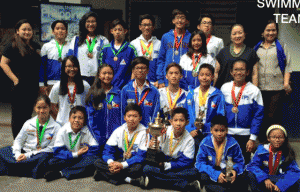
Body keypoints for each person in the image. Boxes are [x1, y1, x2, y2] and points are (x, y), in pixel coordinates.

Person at [0, 95, 61, 178]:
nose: (42, 111)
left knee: (45, 158)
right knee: (3, 151)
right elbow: (18, 140)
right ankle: (24, 167)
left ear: (50, 108)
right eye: (39, 108)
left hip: (38, 155)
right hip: (24, 152)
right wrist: (18, 154)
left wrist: (28, 155)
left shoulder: (56, 127)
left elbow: (51, 148)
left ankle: (13, 168)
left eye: (45, 107)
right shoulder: (28, 123)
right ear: (34, 108)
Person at [139, 107, 199, 191]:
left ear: (187, 122)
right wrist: (152, 146)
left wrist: (166, 165)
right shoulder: (163, 131)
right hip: (162, 161)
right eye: (175, 120)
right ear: (171, 121)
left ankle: (153, 182)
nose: (178, 123)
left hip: (176, 166)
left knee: (193, 173)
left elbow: (186, 162)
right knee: (146, 168)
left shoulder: (189, 140)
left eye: (181, 120)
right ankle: (183, 185)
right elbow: (155, 151)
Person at [0, 19, 41, 138]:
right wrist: (15, 79)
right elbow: (3, 63)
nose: (27, 32)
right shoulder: (12, 46)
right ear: (17, 31)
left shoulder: (35, 46)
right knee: (18, 116)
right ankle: (17, 143)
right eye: (24, 29)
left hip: (32, 86)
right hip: (19, 86)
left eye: (29, 29)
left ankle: (25, 140)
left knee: (28, 115)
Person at [253, 19, 293, 142]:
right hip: (260, 89)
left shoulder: (281, 47)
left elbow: (288, 66)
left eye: (273, 30)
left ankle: (276, 144)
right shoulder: (256, 48)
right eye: (268, 30)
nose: (271, 33)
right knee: (261, 117)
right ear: (262, 32)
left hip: (276, 88)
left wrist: (286, 83)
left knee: (273, 117)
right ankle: (263, 144)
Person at [221, 59, 264, 163]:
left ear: (247, 72)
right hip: (227, 134)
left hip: (246, 136)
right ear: (231, 72)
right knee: (227, 163)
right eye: (236, 69)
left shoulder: (254, 90)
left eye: (242, 69)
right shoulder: (225, 88)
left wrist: (252, 138)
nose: (239, 72)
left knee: (244, 164)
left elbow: (258, 116)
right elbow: (220, 112)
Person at [93, 103, 147, 185]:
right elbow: (107, 151)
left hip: (132, 162)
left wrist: (122, 165)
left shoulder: (144, 132)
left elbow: (141, 156)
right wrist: (111, 163)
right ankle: (128, 180)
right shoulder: (119, 130)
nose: (132, 119)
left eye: (135, 116)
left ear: (140, 118)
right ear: (125, 117)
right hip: (119, 160)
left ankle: (103, 174)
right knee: (97, 162)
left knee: (138, 168)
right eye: (129, 116)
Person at [44, 106, 98, 181]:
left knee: (93, 160)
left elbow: (95, 149)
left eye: (80, 118)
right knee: (51, 162)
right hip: (69, 158)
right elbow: (57, 151)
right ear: (69, 119)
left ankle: (61, 173)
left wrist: (82, 155)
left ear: (85, 121)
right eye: (74, 117)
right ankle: (78, 170)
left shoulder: (87, 130)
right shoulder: (63, 130)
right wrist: (75, 154)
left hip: (82, 158)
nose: (76, 120)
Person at [195, 115, 247, 192]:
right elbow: (199, 163)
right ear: (211, 130)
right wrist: (215, 174)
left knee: (243, 176)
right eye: (216, 130)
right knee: (203, 176)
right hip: (212, 169)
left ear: (227, 130)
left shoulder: (233, 143)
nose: (219, 134)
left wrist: (234, 170)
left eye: (222, 130)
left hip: (226, 170)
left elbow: (240, 162)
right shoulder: (205, 143)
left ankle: (214, 188)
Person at [246, 125, 300, 192]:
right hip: (265, 179)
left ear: (285, 139)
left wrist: (282, 184)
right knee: (250, 174)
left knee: (297, 179)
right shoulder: (261, 151)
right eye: (274, 137)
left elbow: (294, 171)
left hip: (280, 179)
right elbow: (253, 166)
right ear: (268, 138)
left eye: (280, 137)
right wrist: (264, 178)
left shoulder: (287, 152)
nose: (277, 140)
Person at [186, 64, 225, 152]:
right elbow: (186, 115)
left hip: (210, 134)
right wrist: (190, 129)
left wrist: (209, 129)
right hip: (193, 133)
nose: (204, 78)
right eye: (202, 74)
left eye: (207, 75)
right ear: (198, 76)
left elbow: (220, 116)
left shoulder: (217, 95)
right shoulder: (191, 94)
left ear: (213, 77)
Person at [85, 64, 121, 150]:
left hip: (115, 139)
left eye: (110, 73)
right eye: (104, 73)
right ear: (99, 75)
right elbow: (90, 119)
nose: (107, 76)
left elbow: (122, 117)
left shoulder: (119, 93)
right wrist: (98, 137)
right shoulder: (93, 94)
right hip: (97, 139)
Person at [67, 12, 109, 85]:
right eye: (88, 21)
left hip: (97, 77)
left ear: (97, 23)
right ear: (84, 23)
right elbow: (70, 58)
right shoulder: (76, 39)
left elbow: (107, 60)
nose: (91, 24)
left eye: (93, 21)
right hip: (79, 76)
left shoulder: (103, 40)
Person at [214, 24, 259, 89]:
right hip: (225, 90)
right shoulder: (223, 52)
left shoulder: (251, 52)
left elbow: (254, 74)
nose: (237, 36)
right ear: (231, 36)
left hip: (245, 91)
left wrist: (255, 91)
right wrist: (212, 88)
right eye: (234, 34)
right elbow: (216, 72)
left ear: (244, 34)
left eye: (240, 33)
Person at [49, 55, 90, 125]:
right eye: (69, 66)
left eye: (74, 66)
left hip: (80, 124)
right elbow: (51, 105)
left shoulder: (85, 85)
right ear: (64, 68)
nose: (72, 69)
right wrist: (60, 117)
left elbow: (90, 104)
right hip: (62, 124)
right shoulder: (57, 86)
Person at [121, 57, 160, 127]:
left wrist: (150, 131)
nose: (140, 70)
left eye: (143, 68)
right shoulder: (126, 90)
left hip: (147, 130)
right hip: (129, 130)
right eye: (137, 68)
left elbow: (155, 113)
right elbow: (122, 113)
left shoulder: (154, 91)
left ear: (148, 70)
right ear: (133, 70)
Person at [157, 9, 191, 88]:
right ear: (173, 21)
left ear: (187, 21)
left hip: (184, 78)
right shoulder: (166, 37)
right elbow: (161, 59)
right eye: (177, 17)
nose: (179, 20)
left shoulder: (191, 37)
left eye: (182, 18)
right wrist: (160, 79)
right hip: (168, 77)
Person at [99, 18, 137, 89]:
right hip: (107, 87)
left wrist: (130, 85)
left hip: (125, 88)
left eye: (120, 30)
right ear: (111, 31)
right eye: (115, 30)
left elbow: (134, 69)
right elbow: (101, 69)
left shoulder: (131, 49)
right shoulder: (105, 49)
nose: (117, 32)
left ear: (125, 31)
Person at [130, 14, 161, 87]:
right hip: (138, 83)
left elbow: (160, 63)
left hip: (155, 83)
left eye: (149, 25)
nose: (147, 27)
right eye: (144, 25)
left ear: (153, 27)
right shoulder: (133, 44)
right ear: (140, 27)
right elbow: (132, 65)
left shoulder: (159, 43)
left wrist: (159, 80)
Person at [39, 20, 70, 93]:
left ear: (66, 32)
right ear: (53, 31)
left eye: (63, 28)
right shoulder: (46, 46)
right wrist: (41, 84)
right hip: (51, 82)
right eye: (57, 28)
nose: (60, 31)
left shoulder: (71, 46)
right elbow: (42, 67)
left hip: (67, 82)